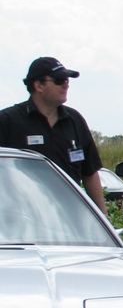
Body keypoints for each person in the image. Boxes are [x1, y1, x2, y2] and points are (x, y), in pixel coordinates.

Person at [0, 57, 106, 214]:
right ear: (38, 85)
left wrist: (103, 215)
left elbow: (90, 173)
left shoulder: (75, 120)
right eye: (59, 80)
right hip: (24, 217)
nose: (66, 85)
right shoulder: (8, 121)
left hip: (69, 217)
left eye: (67, 80)